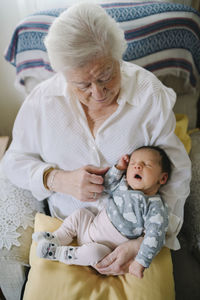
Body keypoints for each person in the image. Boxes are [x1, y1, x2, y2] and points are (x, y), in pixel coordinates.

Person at [2, 2, 191, 276]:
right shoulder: (42, 103)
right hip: (69, 233)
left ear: (117, 55)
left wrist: (143, 244)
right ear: (64, 74)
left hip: (137, 242)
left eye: (106, 76)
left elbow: (178, 174)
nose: (99, 93)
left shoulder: (149, 94)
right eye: (83, 85)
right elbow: (13, 162)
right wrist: (56, 179)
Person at [33, 146, 170, 278]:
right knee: (81, 214)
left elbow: (155, 236)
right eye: (133, 163)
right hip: (89, 227)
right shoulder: (123, 184)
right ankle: (56, 238)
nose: (137, 166)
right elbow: (106, 184)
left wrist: (141, 262)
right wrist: (118, 168)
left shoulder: (154, 206)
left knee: (94, 252)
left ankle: (58, 253)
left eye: (147, 164)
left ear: (162, 178)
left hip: (105, 249)